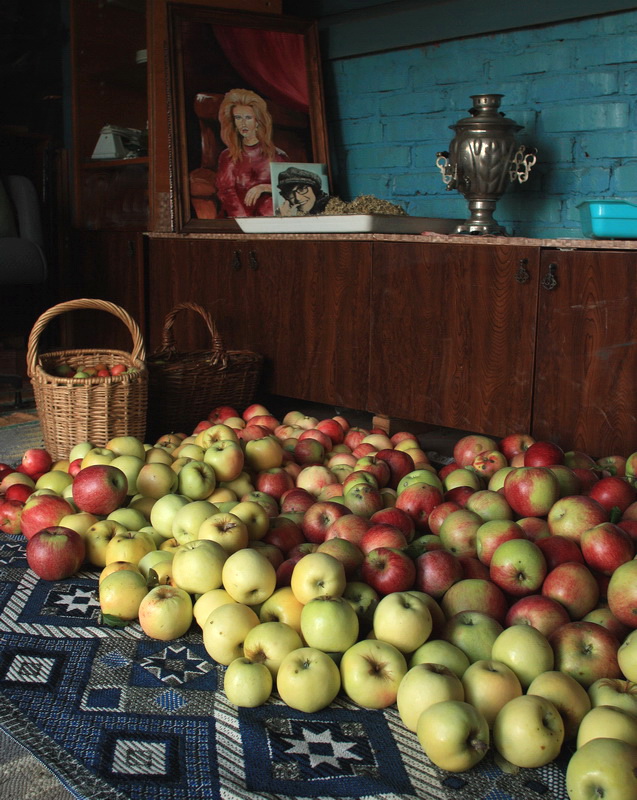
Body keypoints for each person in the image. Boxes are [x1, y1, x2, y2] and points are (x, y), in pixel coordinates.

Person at [216, 88, 288, 217]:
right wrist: (245, 221)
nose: (243, 123)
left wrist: (263, 188)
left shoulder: (277, 155)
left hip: (271, 220)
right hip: (239, 220)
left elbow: (290, 189)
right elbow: (226, 193)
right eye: (238, 118)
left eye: (248, 117)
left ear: (258, 122)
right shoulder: (227, 156)